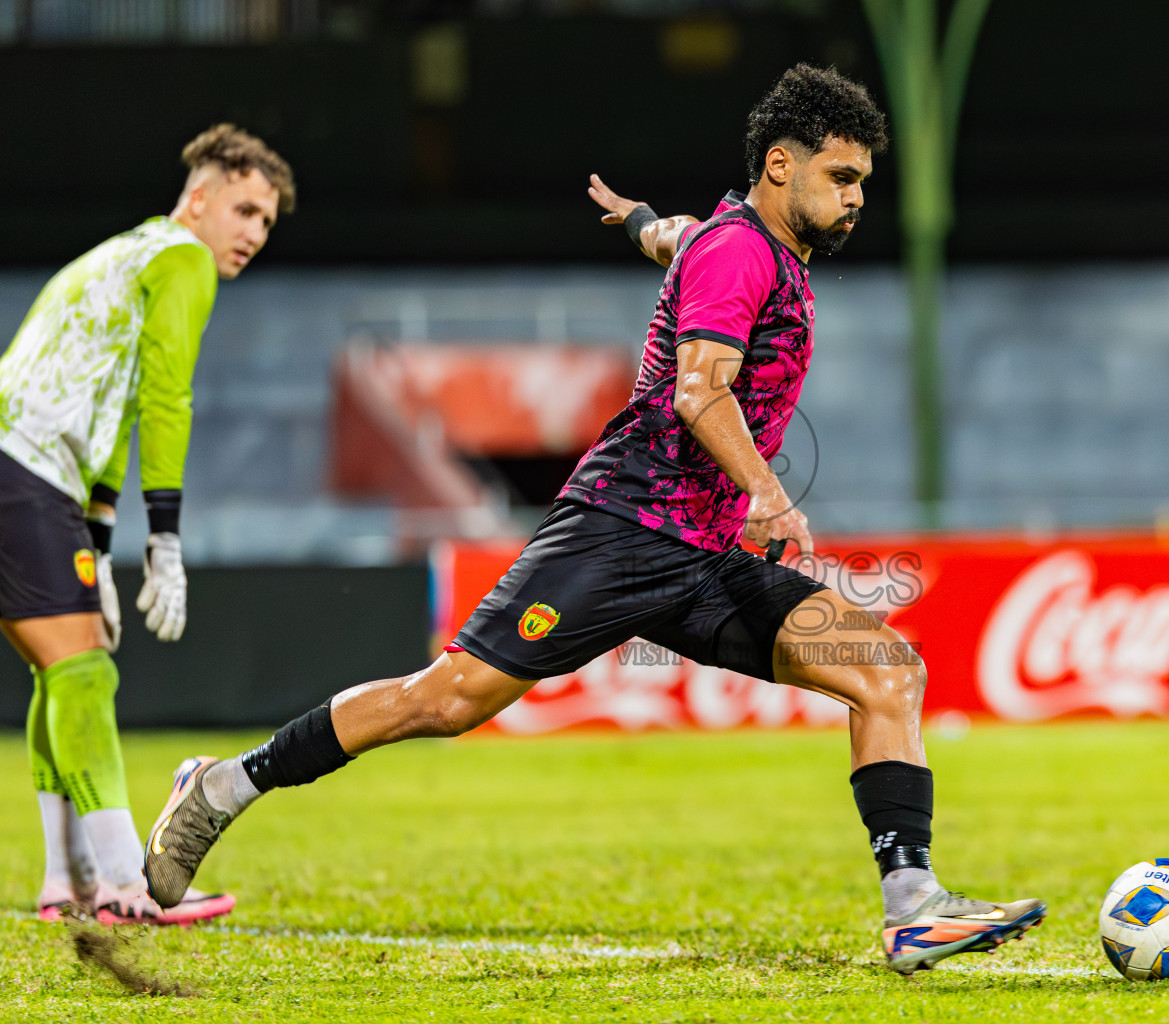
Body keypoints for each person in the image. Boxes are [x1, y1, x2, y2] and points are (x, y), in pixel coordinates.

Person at [143, 66, 1046, 972]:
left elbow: (679, 239)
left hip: (698, 556)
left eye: (862, 184)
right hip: (619, 529)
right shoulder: (743, 252)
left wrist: (642, 222)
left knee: (884, 671)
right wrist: (771, 494)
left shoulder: (741, 244)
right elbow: (701, 391)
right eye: (841, 179)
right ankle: (223, 785)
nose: (856, 200)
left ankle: (914, 905)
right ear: (781, 165)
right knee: (448, 700)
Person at [0, 124, 294, 924]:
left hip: (28, 467)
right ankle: (128, 880)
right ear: (198, 198)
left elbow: (107, 411)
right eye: (244, 210)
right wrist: (163, 539)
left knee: (56, 666)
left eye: (266, 222)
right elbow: (164, 400)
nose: (253, 234)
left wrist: (94, 546)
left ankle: (69, 880)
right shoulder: (185, 259)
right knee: (85, 670)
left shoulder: (122, 255)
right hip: (19, 467)